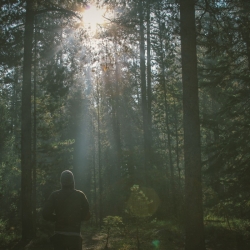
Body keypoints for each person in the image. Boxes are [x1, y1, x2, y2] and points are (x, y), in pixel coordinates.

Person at [42, 170, 91, 250]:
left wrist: (56, 218)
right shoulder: (80, 195)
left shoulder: (55, 195)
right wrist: (77, 218)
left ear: (61, 182)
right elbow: (87, 215)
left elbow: (45, 214)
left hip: (59, 235)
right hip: (75, 235)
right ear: (73, 181)